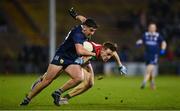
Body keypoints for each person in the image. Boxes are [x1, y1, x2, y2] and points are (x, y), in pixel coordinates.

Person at [20, 10, 98, 105]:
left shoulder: (85, 25)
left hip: (71, 59)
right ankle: (28, 98)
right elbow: (79, 51)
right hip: (62, 56)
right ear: (85, 28)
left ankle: (58, 92)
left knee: (79, 77)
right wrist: (94, 54)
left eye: (94, 31)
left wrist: (76, 15)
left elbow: (83, 19)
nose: (92, 33)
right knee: (48, 81)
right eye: (91, 30)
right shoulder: (78, 35)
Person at [51, 41, 127, 105]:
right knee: (78, 77)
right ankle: (56, 90)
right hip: (74, 57)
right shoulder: (92, 49)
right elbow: (80, 57)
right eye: (108, 54)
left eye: (110, 55)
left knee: (90, 83)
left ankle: (64, 99)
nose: (109, 57)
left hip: (85, 60)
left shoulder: (105, 50)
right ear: (103, 49)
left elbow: (114, 53)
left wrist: (120, 65)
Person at [136, 22, 167, 90]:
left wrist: (163, 49)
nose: (152, 28)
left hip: (154, 55)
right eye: (151, 27)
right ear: (149, 28)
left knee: (148, 70)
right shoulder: (145, 34)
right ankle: (152, 84)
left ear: (155, 28)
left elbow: (164, 42)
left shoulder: (158, 35)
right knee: (151, 71)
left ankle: (144, 82)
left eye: (153, 27)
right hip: (147, 55)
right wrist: (138, 43)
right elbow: (141, 40)